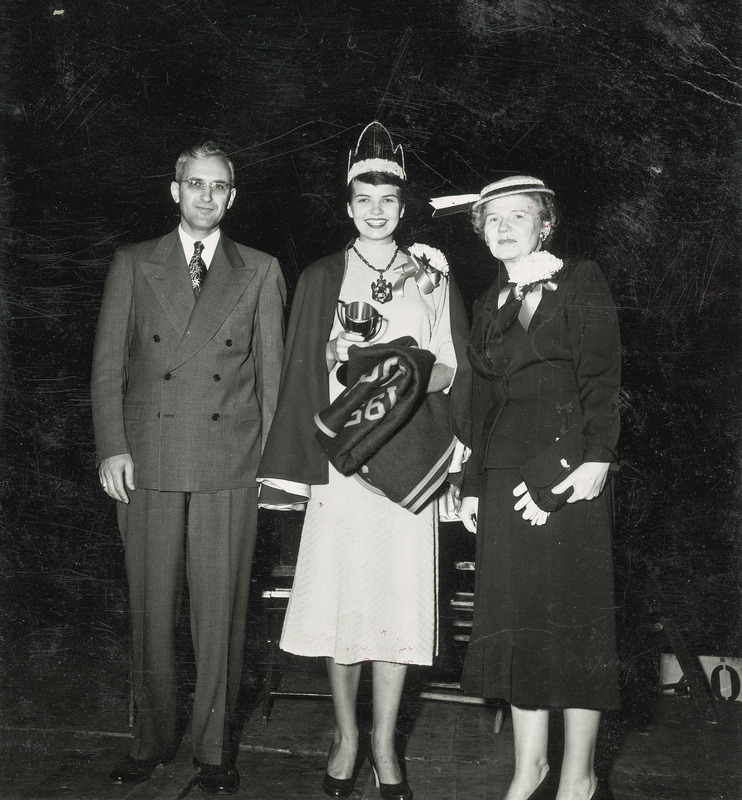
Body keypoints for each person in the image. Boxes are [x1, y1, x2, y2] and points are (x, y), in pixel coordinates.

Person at [257, 122, 470, 800]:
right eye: (363, 199)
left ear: (403, 207)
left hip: (407, 463)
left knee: (399, 609)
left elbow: (453, 367)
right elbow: (302, 378)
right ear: (348, 206)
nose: (376, 210)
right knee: (343, 606)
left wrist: (401, 373)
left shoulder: (432, 277)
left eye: (388, 200)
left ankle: (386, 743)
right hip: (345, 469)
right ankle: (348, 736)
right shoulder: (323, 275)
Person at [90, 141, 285, 794]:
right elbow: (108, 365)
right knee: (150, 610)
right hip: (147, 460)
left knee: (220, 616)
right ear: (174, 191)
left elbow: (274, 380)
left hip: (229, 464)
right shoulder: (132, 264)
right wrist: (112, 445)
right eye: (194, 184)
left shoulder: (259, 269)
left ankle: (212, 750)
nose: (206, 195)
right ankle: (149, 740)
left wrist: (275, 467)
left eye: (218, 186)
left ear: (234, 196)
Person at [432, 176, 620, 800]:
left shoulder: (581, 279)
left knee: (574, 626)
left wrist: (594, 461)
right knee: (515, 628)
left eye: (520, 216)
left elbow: (601, 376)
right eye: (493, 219)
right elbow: (483, 398)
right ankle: (528, 768)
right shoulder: (491, 301)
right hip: (505, 476)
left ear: (546, 224)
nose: (505, 227)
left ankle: (578, 776)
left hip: (568, 473)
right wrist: (473, 485)